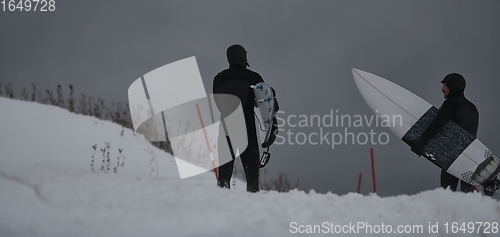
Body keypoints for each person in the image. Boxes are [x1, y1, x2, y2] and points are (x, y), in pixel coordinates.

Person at [411, 73, 479, 193]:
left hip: (452, 157)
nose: (442, 89)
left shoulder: (451, 103)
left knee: (448, 193)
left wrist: (422, 141)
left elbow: (439, 122)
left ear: (452, 86)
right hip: (469, 158)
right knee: (468, 195)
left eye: (445, 85)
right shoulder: (473, 108)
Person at [213, 44, 264, 192]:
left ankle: (219, 210)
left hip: (226, 129)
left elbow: (218, 103)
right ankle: (254, 212)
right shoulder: (253, 77)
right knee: (252, 183)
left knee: (223, 181)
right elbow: (267, 101)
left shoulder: (219, 78)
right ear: (244, 57)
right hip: (247, 129)